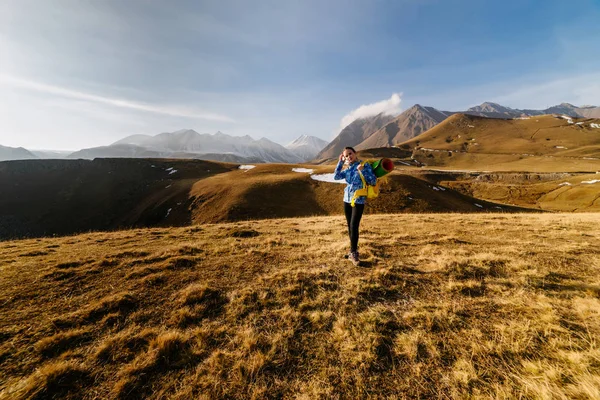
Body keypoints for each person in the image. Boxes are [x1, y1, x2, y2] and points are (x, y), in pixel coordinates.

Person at [334, 146, 377, 266]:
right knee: (350, 226)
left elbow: (373, 181)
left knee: (354, 225)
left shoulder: (364, 165)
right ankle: (351, 251)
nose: (349, 156)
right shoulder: (347, 169)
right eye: (346, 155)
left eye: (350, 154)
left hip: (358, 200)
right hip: (347, 200)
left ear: (355, 153)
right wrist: (340, 162)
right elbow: (336, 176)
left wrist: (362, 170)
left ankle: (354, 252)